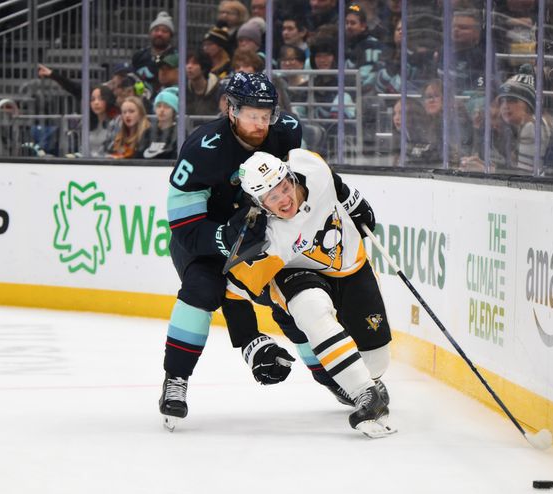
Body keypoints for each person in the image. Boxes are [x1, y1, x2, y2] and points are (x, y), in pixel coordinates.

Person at [159, 72, 306, 430]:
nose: (261, 124)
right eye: (252, 115)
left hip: (263, 234)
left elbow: (302, 185)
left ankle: (333, 373)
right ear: (231, 109)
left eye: (266, 114)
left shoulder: (287, 130)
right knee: (201, 292)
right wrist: (223, 239)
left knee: (295, 296)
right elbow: (184, 228)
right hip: (204, 238)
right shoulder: (200, 149)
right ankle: (175, 380)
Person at [227, 148, 394, 437]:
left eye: (284, 187)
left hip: (352, 265)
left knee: (377, 360)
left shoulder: (312, 168)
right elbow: (234, 289)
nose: (284, 199)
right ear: (259, 203)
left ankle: (366, 380)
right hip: (300, 274)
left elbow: (335, 183)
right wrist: (250, 341)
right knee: (311, 309)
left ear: (291, 177)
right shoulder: (270, 237)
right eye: (272, 197)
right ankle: (366, 393)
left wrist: (354, 201)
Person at [496, 65, 552, 173]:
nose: (505, 106)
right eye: (502, 100)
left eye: (512, 100)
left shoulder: (531, 128)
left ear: (527, 104)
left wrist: (491, 170)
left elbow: (524, 175)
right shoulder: (528, 125)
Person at [131, 11, 177, 96]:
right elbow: (133, 79)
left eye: (164, 31)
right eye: (156, 30)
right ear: (150, 33)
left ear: (171, 35)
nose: (159, 34)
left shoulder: (176, 56)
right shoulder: (139, 55)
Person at [141, 87, 178, 160]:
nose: (162, 110)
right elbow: (139, 156)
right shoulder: (147, 132)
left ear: (174, 111)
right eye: (158, 106)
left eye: (167, 107)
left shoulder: (179, 133)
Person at [185, 49, 220, 117]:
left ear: (204, 67)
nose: (189, 67)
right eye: (187, 63)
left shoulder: (219, 90)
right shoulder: (183, 91)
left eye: (194, 63)